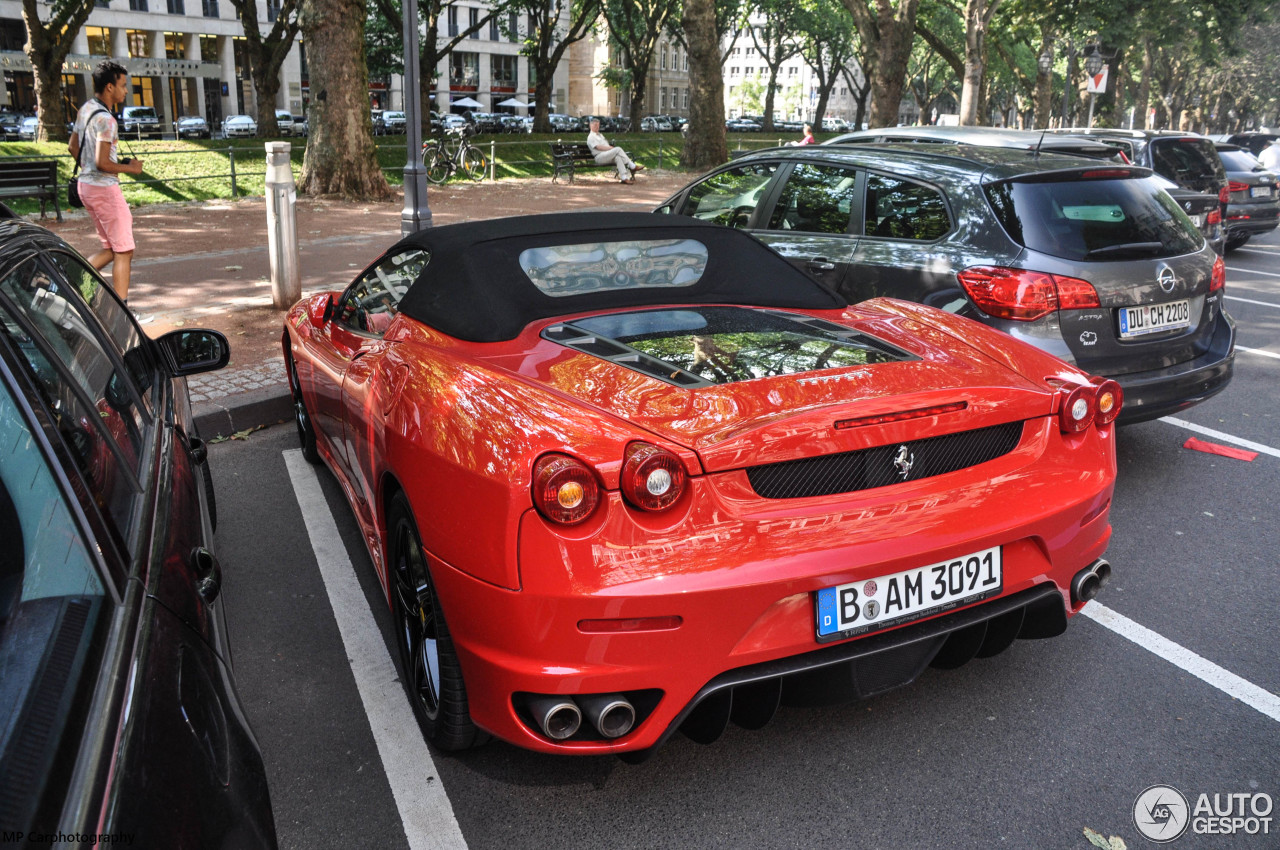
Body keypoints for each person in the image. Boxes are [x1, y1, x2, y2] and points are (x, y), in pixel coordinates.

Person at [69, 60, 145, 306]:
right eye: (123, 85)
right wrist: (130, 168)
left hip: (86, 187)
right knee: (124, 250)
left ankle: (71, 284)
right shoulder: (107, 121)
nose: (126, 91)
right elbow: (103, 163)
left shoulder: (86, 109)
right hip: (104, 190)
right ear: (110, 87)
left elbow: (73, 147)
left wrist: (89, 169)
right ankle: (123, 311)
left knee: (113, 248)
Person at [587, 118, 644, 184]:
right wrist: (610, 148)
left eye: (598, 125)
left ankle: (624, 177)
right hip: (599, 157)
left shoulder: (600, 135)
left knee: (618, 157)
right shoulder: (591, 136)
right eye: (595, 125)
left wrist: (610, 149)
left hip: (606, 155)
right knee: (618, 149)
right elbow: (598, 147)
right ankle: (632, 166)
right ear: (590, 125)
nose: (597, 127)